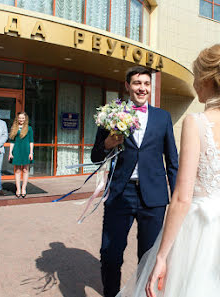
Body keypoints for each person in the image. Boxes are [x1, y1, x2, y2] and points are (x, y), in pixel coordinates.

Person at [117, 44, 220, 297]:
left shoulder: (196, 122)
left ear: (206, 80)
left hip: (196, 232)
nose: (194, 83)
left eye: (196, 76)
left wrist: (161, 256)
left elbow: (182, 198)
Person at [91, 66, 179, 297]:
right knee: (110, 253)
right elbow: (95, 156)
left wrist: (179, 198)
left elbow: (172, 161)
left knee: (149, 256)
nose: (142, 88)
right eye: (137, 83)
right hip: (121, 192)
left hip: (154, 197)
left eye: (147, 84)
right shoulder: (111, 115)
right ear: (128, 86)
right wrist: (108, 144)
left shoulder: (163, 117)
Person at [8, 112, 34, 198]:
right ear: (17, 119)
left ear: (25, 119)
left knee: (25, 170)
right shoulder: (14, 128)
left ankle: (24, 188)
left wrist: (31, 152)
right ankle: (18, 189)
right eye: (20, 118)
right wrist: (10, 153)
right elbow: (12, 142)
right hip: (17, 151)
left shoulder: (29, 128)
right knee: (18, 170)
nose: (21, 120)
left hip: (26, 151)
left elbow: (31, 141)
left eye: (23, 118)